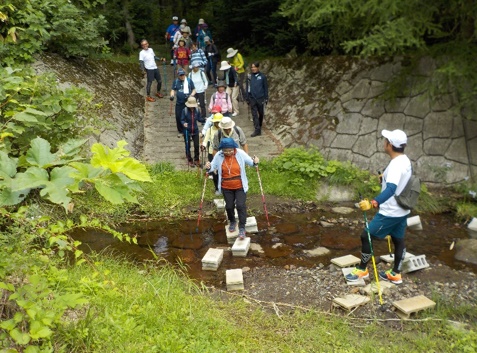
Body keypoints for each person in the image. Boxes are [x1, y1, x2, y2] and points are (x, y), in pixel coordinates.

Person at [345, 129, 412, 285]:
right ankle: (395, 273)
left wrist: (374, 202)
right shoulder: (405, 161)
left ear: (390, 144)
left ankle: (362, 270)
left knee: (366, 235)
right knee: (398, 239)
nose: (384, 142)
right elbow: (401, 183)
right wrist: (384, 179)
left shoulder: (396, 165)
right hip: (402, 209)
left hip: (390, 212)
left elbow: (391, 189)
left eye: (386, 140)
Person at [206, 138, 259, 240]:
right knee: (229, 207)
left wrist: (255, 161)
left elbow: (251, 163)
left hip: (240, 186)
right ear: (222, 149)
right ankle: (233, 221)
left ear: (234, 148)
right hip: (226, 186)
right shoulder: (219, 155)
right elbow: (212, 167)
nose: (228, 152)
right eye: (225, 150)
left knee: (240, 205)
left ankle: (242, 227)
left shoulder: (240, 153)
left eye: (230, 150)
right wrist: (208, 166)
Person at [170, 68, 196, 137]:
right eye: (180, 75)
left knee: (188, 117)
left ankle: (188, 131)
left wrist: (191, 95)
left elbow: (194, 90)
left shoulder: (189, 81)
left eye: (183, 75)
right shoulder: (176, 82)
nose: (182, 76)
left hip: (188, 102)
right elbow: (173, 89)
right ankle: (181, 131)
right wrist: (172, 95)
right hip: (179, 103)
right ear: (178, 75)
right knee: (178, 117)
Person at [202, 113, 223, 194]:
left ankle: (224, 187)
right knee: (214, 171)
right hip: (212, 153)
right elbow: (206, 139)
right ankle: (217, 188)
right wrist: (203, 145)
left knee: (223, 170)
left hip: (222, 153)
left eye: (219, 122)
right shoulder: (210, 129)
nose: (217, 124)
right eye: (216, 122)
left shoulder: (223, 129)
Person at [246, 62, 268, 137]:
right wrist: (247, 97)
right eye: (252, 67)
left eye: (254, 67)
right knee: (254, 114)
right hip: (252, 98)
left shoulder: (262, 77)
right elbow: (247, 87)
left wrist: (266, 97)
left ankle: (259, 125)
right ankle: (257, 129)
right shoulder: (249, 76)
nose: (253, 68)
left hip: (260, 98)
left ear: (258, 67)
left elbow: (265, 88)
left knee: (261, 113)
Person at [181, 96, 204, 167]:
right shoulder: (184, 110)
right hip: (187, 130)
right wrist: (183, 123)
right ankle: (189, 160)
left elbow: (199, 119)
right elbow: (182, 119)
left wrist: (205, 119)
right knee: (188, 146)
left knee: (197, 145)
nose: (191, 107)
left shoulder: (197, 110)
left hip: (195, 130)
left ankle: (196, 159)